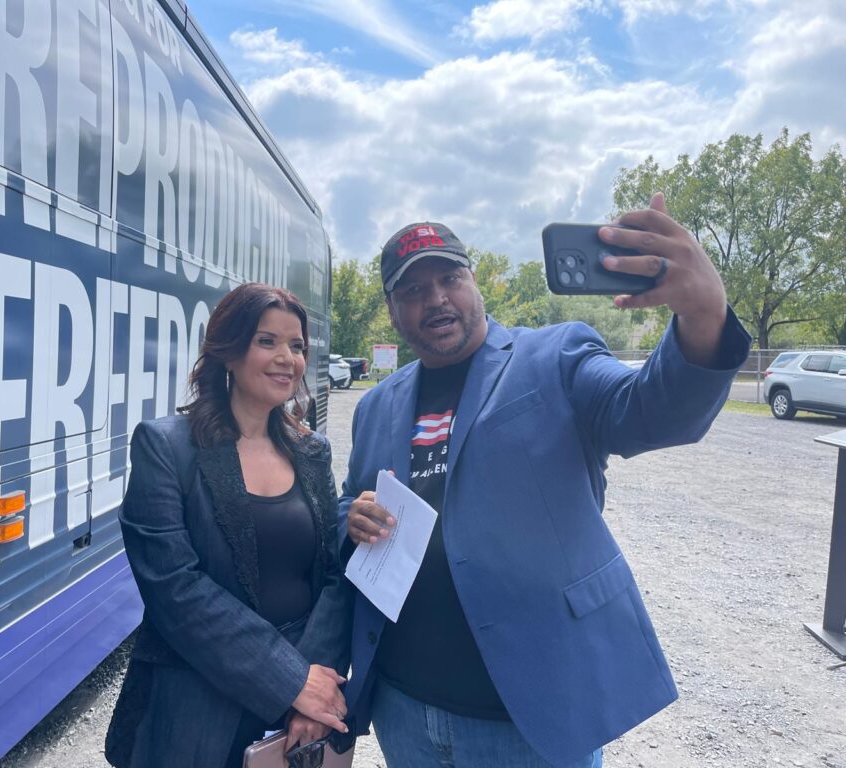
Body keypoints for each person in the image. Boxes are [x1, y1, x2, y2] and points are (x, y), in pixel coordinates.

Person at [340, 195, 751, 767]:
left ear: (473, 281)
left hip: (531, 716)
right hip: (404, 708)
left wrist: (702, 314)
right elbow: (351, 500)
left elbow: (651, 412)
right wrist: (351, 516)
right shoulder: (376, 405)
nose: (435, 298)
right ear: (391, 310)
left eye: (449, 278)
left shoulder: (555, 356)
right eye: (412, 289)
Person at [105, 283, 352, 768]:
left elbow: (332, 574)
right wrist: (289, 681)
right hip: (194, 708)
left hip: (299, 709)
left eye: (297, 345)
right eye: (267, 341)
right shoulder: (165, 447)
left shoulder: (312, 451)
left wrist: (314, 688)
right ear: (229, 352)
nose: (287, 358)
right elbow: (174, 588)